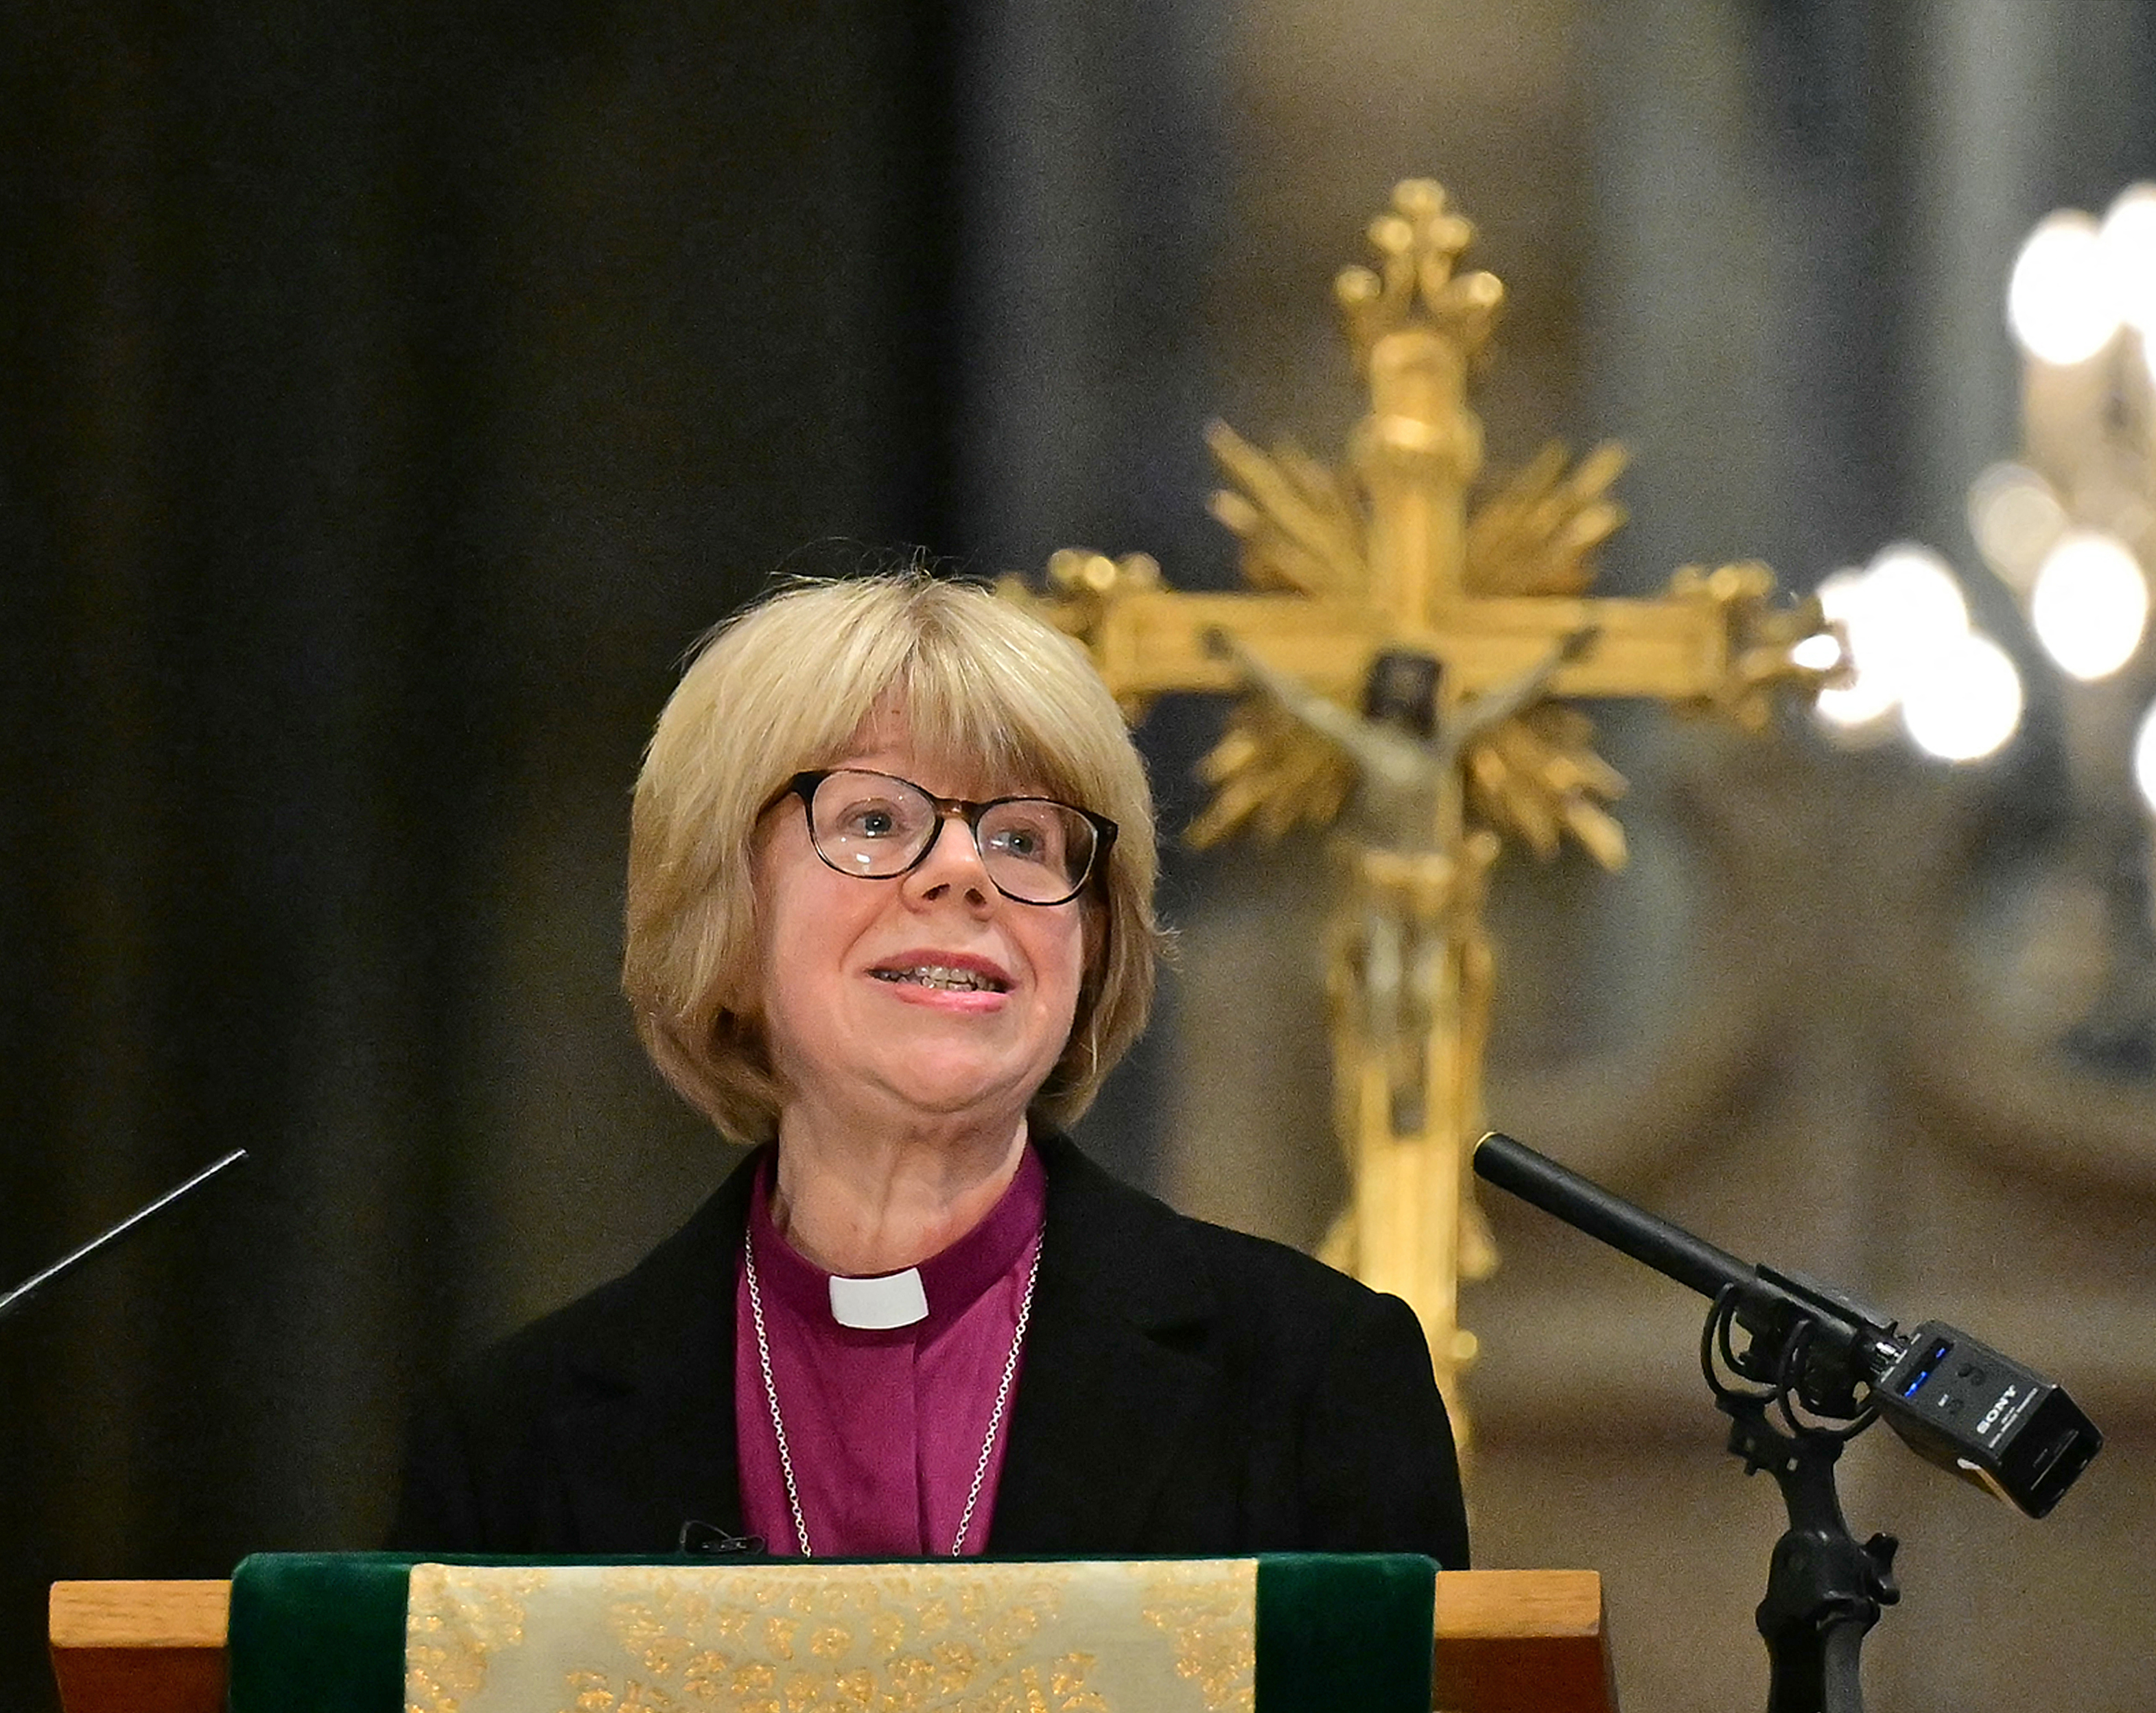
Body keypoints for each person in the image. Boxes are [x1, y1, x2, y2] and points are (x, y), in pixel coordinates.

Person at [395, 570, 1466, 1565]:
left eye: (1024, 840)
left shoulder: (1315, 1386)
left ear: (1092, 943)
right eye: (875, 820)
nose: (963, 872)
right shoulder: (513, 1445)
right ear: (725, 911)